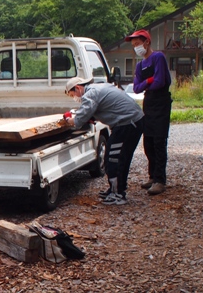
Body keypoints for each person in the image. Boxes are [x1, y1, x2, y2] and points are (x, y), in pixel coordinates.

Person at [63, 77, 145, 206]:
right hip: (131, 122)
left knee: (114, 158)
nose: (75, 98)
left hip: (127, 124)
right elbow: (98, 111)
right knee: (119, 157)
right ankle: (115, 190)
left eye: (73, 94)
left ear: (78, 88)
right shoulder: (99, 88)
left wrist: (69, 120)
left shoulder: (90, 94)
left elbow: (79, 121)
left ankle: (118, 195)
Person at [125, 29, 172, 196]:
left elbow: (160, 82)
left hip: (161, 102)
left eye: (138, 44)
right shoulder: (140, 65)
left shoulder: (158, 57)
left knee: (159, 141)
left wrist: (148, 83)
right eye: (133, 45)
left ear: (146, 42)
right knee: (148, 143)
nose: (136, 47)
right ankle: (152, 176)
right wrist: (148, 80)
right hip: (149, 103)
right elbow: (136, 88)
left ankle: (160, 180)